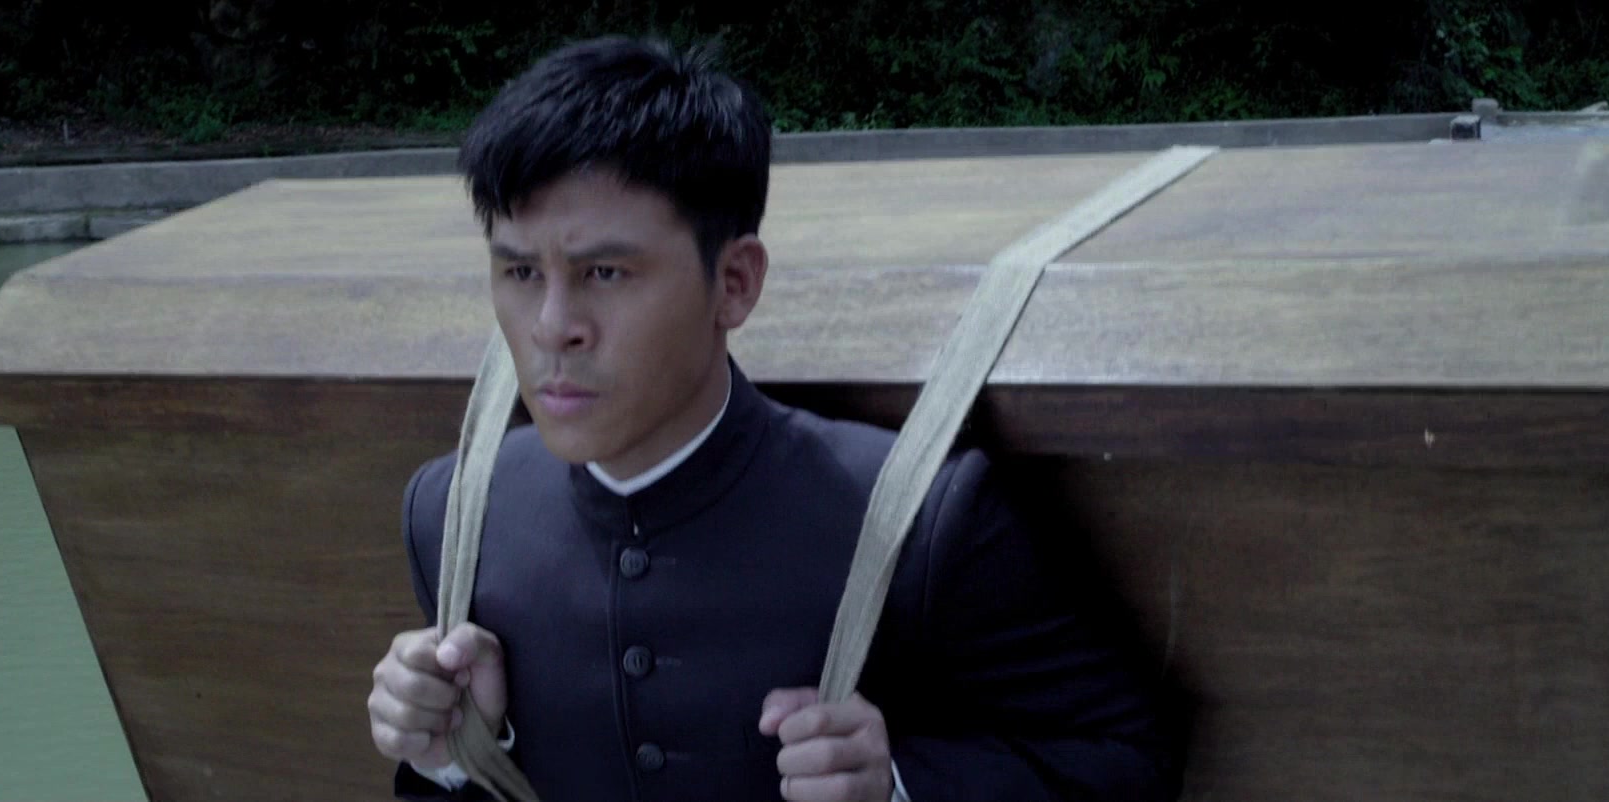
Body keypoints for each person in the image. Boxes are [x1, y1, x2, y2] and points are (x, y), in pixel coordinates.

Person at [367, 35, 1182, 802]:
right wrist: (452, 753)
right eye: (519, 272)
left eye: (605, 273)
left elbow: (1126, 756)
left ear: (735, 284)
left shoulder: (922, 522)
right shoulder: (455, 515)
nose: (552, 327)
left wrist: (898, 782)